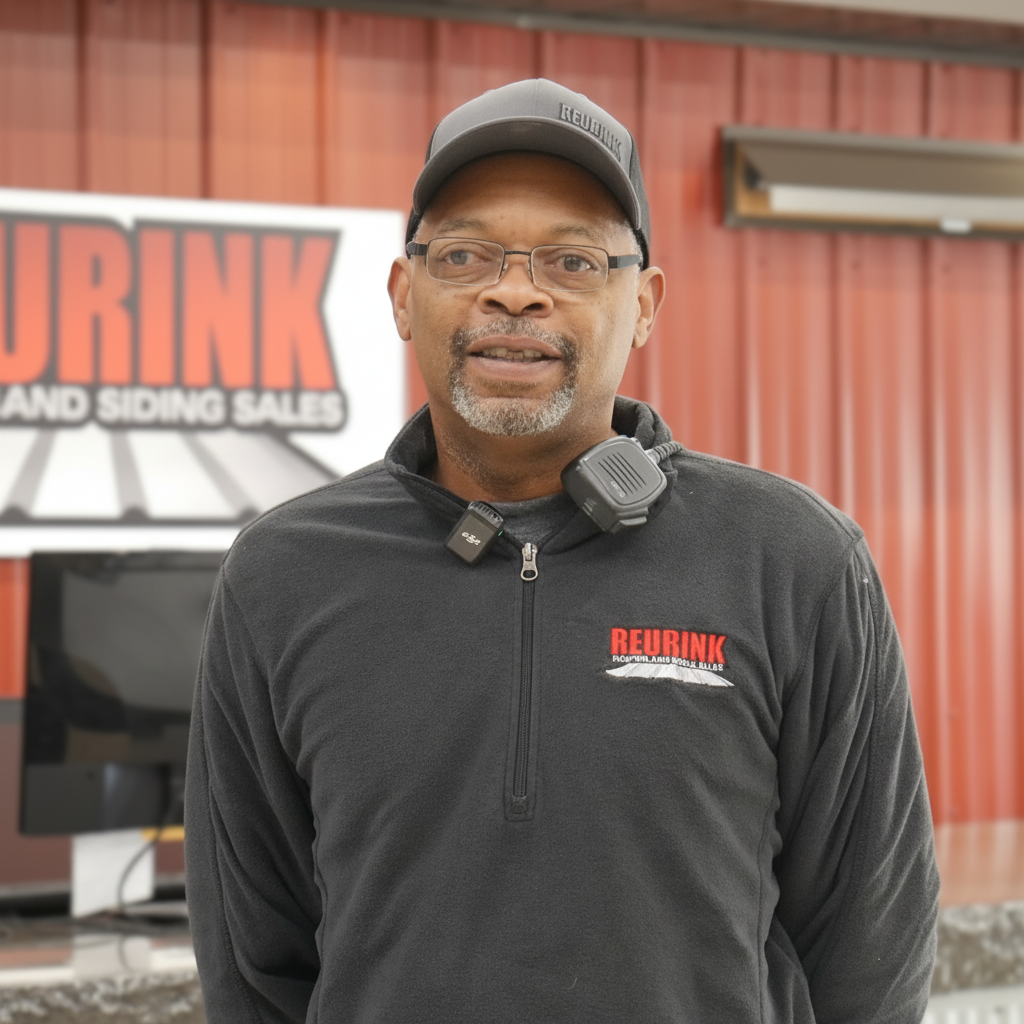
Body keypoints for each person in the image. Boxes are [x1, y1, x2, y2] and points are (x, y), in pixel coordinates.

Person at [185, 78, 939, 1023]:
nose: (515, 290)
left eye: (573, 262)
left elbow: (872, 950)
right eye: (464, 253)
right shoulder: (281, 575)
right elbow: (255, 968)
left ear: (647, 303)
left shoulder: (795, 561)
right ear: (402, 294)